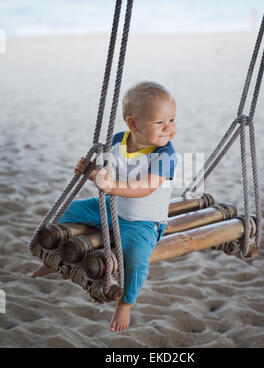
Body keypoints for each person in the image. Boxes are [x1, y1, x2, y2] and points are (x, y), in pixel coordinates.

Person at [31, 81, 178, 332]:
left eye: (172, 120)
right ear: (133, 124)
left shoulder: (165, 155)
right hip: (111, 209)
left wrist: (110, 187)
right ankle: (55, 260)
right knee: (70, 211)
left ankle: (126, 301)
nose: (170, 129)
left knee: (136, 257)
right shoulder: (118, 141)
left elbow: (145, 187)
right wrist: (90, 173)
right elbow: (105, 175)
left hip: (142, 222)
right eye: (160, 123)